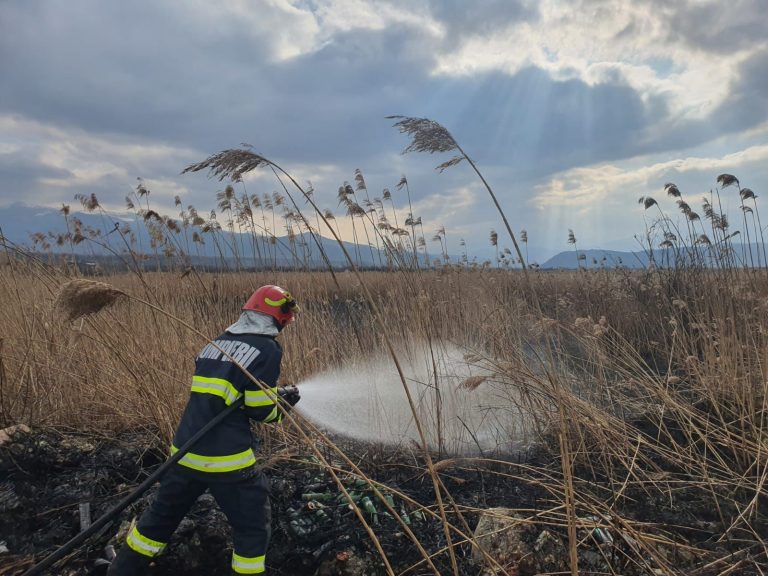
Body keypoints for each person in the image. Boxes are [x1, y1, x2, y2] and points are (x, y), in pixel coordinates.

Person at [108, 285, 301, 575]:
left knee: (157, 522)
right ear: (279, 315)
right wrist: (283, 406)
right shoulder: (267, 348)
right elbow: (261, 411)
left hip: (184, 453)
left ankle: (121, 570)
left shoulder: (217, 343)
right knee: (252, 528)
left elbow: (224, 397)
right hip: (228, 461)